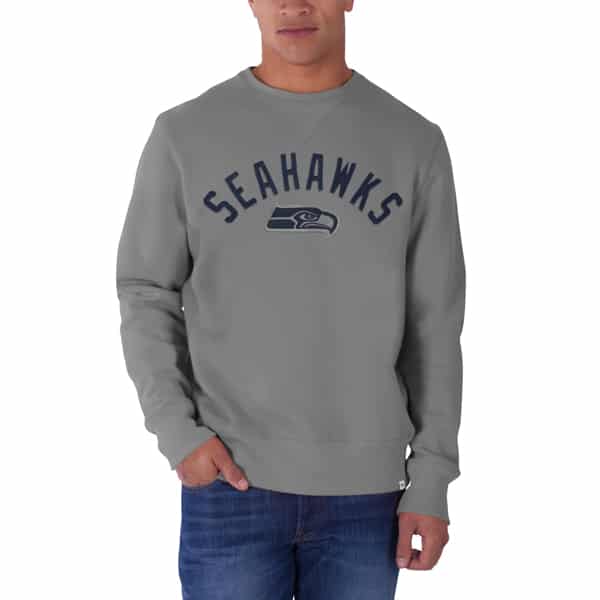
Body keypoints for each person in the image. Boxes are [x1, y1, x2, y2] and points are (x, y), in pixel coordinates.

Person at [116, 1, 466, 598]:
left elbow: (434, 323)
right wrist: (178, 433)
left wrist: (432, 476)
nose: (294, 4)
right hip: (230, 482)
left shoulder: (413, 141)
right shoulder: (185, 134)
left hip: (368, 494)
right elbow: (146, 291)